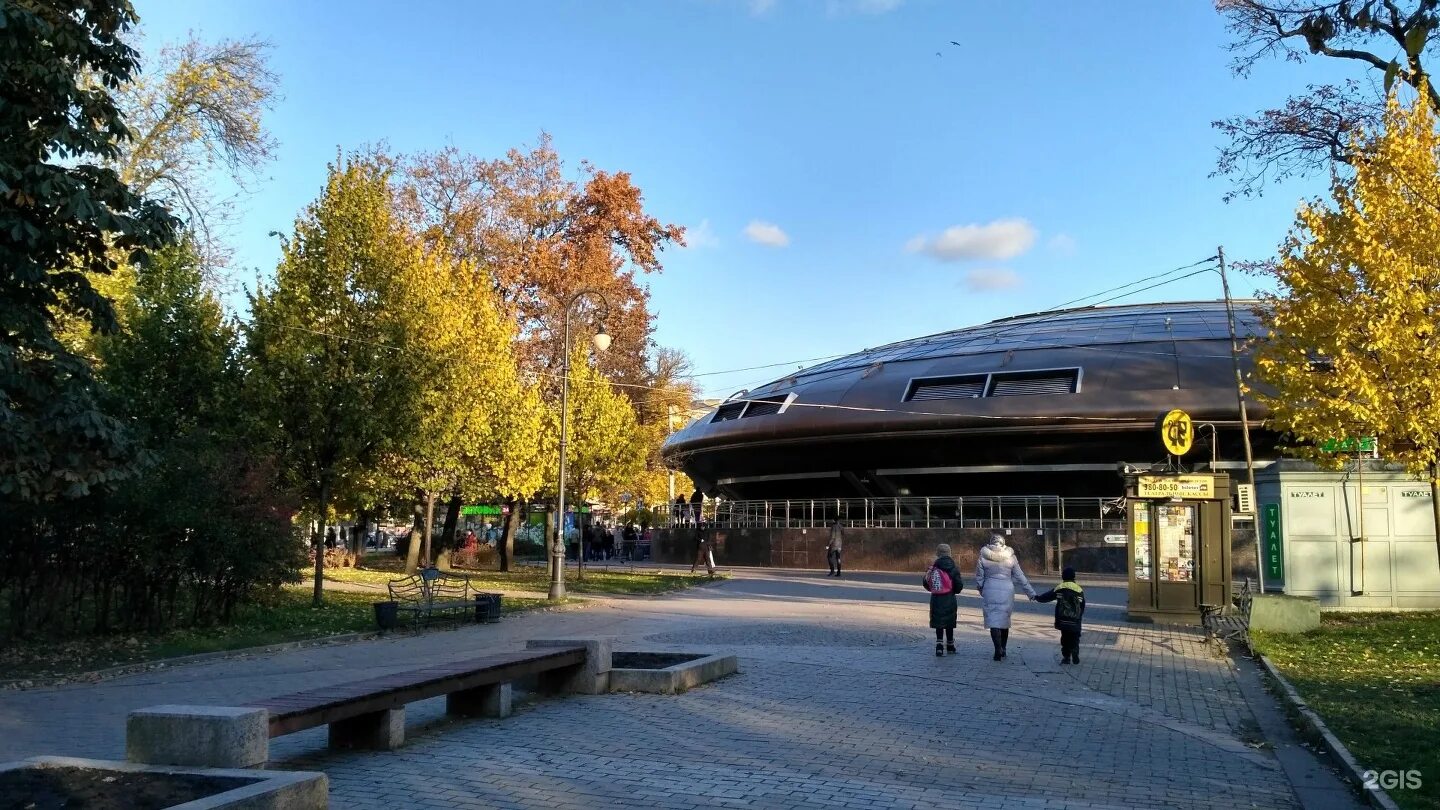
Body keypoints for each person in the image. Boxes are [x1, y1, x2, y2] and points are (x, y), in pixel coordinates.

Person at [974, 533, 1036, 661]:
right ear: (1003, 543)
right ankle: (1004, 648)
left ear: (990, 542)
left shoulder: (983, 557)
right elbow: (1020, 577)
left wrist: (981, 588)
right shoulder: (1011, 557)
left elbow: (979, 577)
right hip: (1007, 590)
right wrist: (1031, 593)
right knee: (1004, 620)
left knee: (993, 621)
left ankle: (997, 649)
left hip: (990, 589)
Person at [1034, 567, 1087, 664]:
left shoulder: (1060, 587)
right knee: (1075, 637)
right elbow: (1082, 605)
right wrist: (1079, 616)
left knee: (1065, 638)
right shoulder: (1079, 589)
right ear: (1074, 577)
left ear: (1063, 576)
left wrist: (1038, 598)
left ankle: (1066, 657)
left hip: (1063, 619)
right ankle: (1075, 650)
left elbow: (1048, 596)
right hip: (1075, 620)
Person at [924, 543, 964, 656]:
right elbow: (959, 586)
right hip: (949, 598)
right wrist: (952, 591)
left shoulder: (933, 567)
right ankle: (950, 645)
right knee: (949, 622)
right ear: (949, 553)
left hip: (936, 599)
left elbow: (926, 583)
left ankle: (939, 646)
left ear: (938, 554)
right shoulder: (953, 568)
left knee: (939, 623)